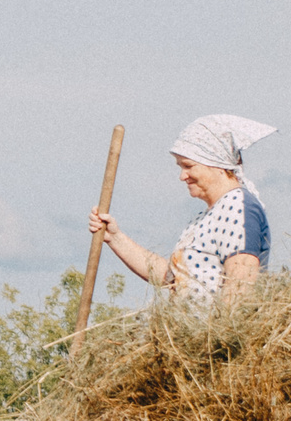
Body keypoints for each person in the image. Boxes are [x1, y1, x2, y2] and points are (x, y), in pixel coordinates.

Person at [88, 114, 275, 302]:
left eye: (188, 166)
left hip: (211, 330)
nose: (182, 176)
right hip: (189, 330)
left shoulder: (237, 207)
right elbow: (170, 277)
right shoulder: (205, 217)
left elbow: (240, 283)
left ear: (217, 164)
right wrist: (114, 237)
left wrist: (217, 331)